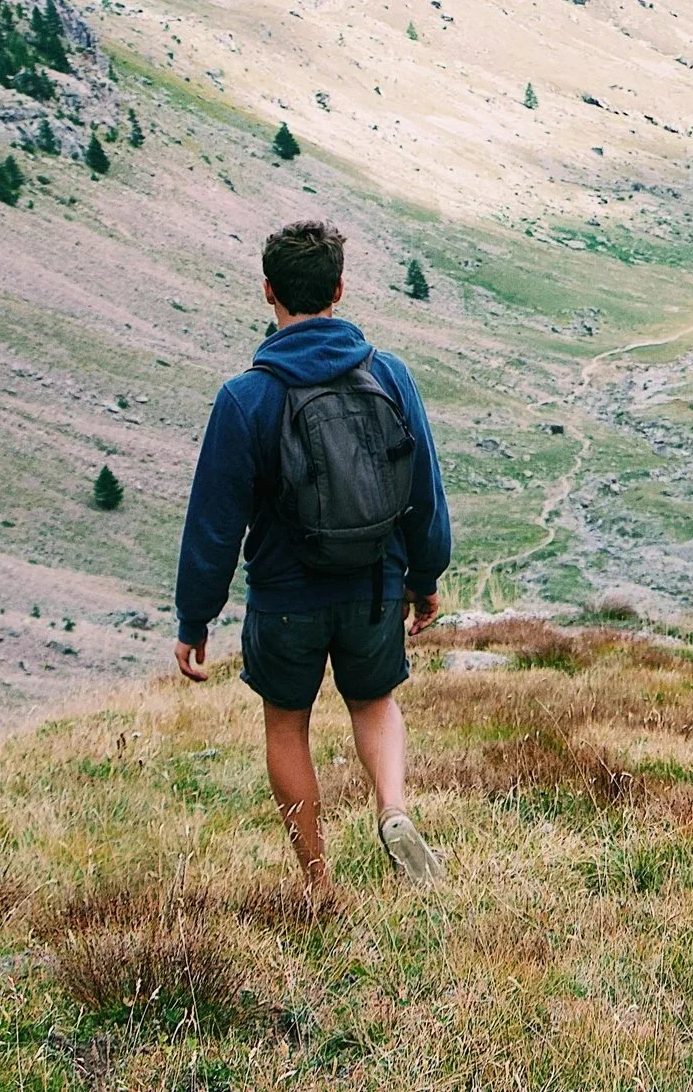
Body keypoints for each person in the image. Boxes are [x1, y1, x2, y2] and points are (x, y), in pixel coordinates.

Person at [174, 220, 451, 888]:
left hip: (284, 596)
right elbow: (423, 490)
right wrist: (424, 576)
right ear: (338, 289)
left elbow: (215, 523)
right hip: (374, 586)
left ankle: (318, 880)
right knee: (374, 702)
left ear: (268, 290)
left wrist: (195, 619)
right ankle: (391, 806)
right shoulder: (388, 373)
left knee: (287, 724)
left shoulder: (246, 396)